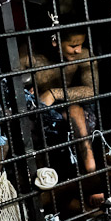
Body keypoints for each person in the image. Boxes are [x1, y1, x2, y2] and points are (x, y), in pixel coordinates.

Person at [21, 23, 98, 175]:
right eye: (73, 45)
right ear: (55, 41)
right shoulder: (30, 57)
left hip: (70, 108)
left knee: (75, 110)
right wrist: (28, 93)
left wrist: (53, 93)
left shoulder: (84, 56)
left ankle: (90, 167)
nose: (79, 50)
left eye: (81, 44)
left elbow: (92, 91)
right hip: (38, 109)